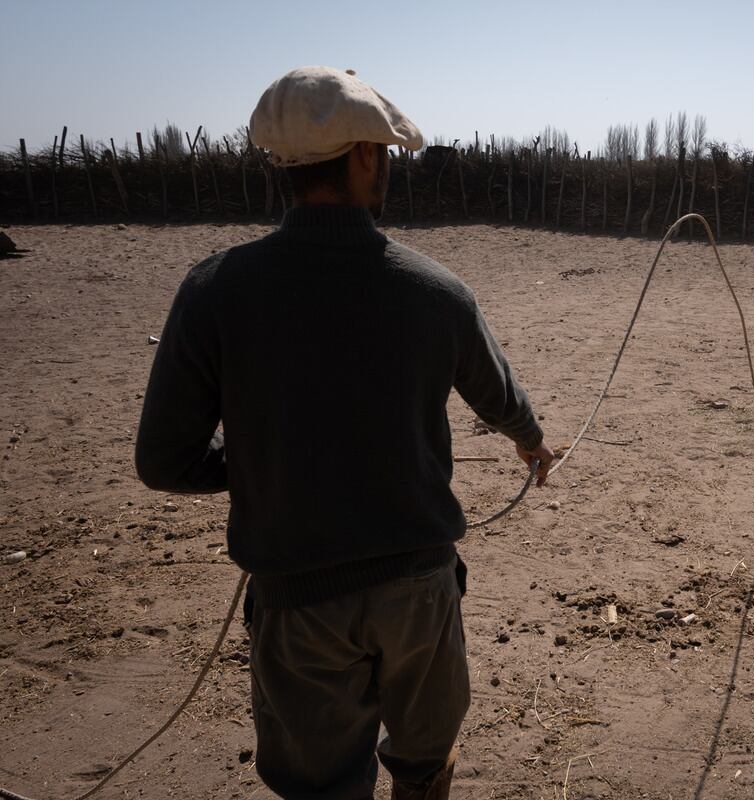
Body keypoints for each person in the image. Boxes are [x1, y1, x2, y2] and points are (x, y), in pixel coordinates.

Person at [135, 65, 555, 800]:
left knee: (321, 784)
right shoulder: (436, 290)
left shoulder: (213, 290)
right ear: (365, 155)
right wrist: (532, 443)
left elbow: (164, 462)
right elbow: (500, 397)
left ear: (280, 164)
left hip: (298, 599)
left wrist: (262, 463)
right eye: (382, 150)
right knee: (424, 766)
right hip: (420, 592)